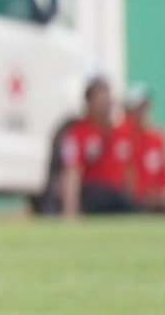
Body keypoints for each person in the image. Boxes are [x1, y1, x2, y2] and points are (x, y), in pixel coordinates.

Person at [54, 77, 141, 215]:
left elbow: (129, 171)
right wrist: (70, 210)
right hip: (92, 194)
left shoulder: (122, 133)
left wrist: (131, 197)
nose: (105, 104)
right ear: (89, 102)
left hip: (117, 194)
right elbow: (72, 172)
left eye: (107, 98)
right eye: (100, 99)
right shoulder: (78, 133)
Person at [118, 87, 165, 209]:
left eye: (145, 107)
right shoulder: (121, 135)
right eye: (138, 108)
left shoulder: (157, 136)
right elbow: (124, 176)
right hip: (135, 199)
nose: (142, 112)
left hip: (158, 195)